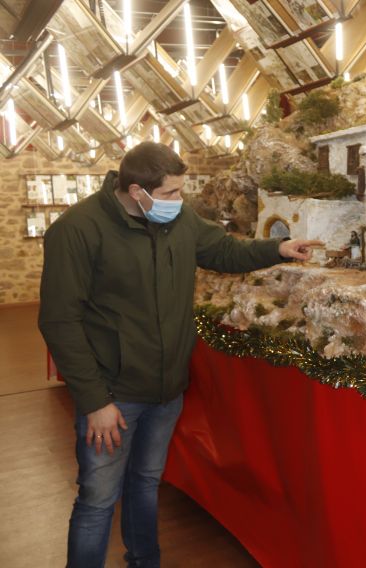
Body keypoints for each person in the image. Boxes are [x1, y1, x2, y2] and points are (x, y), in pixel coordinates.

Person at [38, 142, 323, 568]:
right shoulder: (77, 229)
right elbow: (59, 321)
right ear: (138, 191)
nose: (180, 201)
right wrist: (95, 401)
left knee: (146, 484)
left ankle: (144, 561)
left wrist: (276, 250)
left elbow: (223, 251)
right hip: (112, 395)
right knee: (98, 499)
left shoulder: (179, 220)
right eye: (171, 193)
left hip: (166, 390)